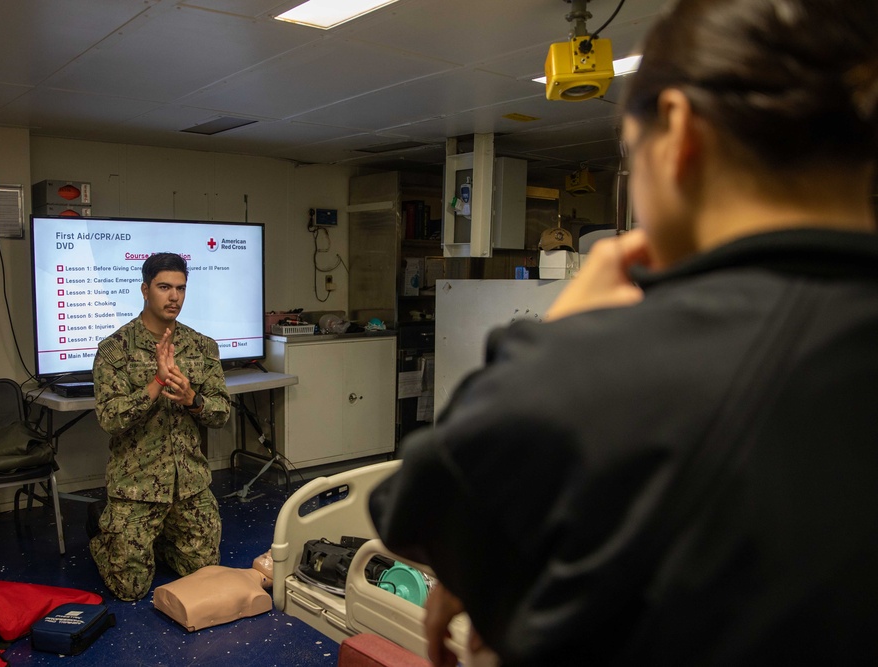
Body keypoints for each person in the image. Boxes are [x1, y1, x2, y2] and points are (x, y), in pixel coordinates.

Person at [369, 0, 878, 664]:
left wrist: (555, 337)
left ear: (678, 127)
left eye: (632, 158)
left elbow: (414, 508)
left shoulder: (610, 371)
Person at [90, 252, 231, 601]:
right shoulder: (113, 350)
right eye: (164, 287)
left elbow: (221, 413)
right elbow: (110, 419)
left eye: (181, 288)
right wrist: (156, 384)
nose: (174, 297)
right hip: (136, 487)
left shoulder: (202, 347)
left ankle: (163, 540)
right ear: (144, 289)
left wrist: (191, 399)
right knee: (130, 590)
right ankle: (104, 537)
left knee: (205, 571)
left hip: (189, 486)